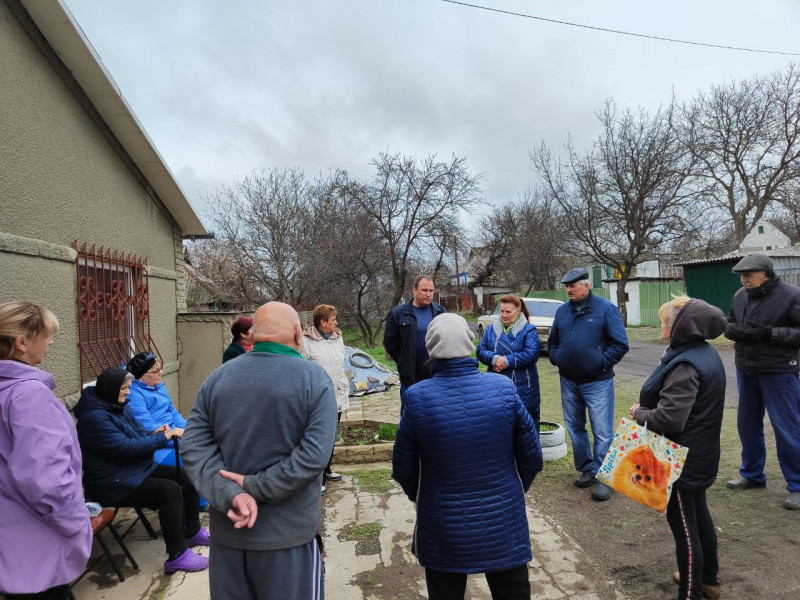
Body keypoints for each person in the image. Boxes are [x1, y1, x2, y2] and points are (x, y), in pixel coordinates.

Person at [182, 301, 337, 600]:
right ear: (296, 333)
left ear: (254, 336)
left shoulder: (217, 378)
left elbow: (193, 446)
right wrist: (256, 486)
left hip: (229, 540)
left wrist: (232, 494)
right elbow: (314, 457)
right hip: (287, 541)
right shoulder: (314, 380)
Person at [393, 313, 543, 600]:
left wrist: (423, 497)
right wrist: (512, 488)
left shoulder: (417, 397)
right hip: (503, 518)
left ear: (431, 348)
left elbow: (403, 467)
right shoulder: (502, 388)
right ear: (470, 344)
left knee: (445, 592)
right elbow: (532, 455)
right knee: (512, 591)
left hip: (442, 522)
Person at [629, 297, 726, 600]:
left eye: (664, 321)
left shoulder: (686, 364)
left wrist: (639, 413)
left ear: (680, 327)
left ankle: (690, 593)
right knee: (698, 516)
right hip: (699, 452)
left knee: (685, 528)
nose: (662, 326)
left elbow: (670, 418)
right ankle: (707, 580)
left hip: (680, 457)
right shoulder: (702, 352)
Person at [75, 367, 209, 574]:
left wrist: (152, 432)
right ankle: (177, 555)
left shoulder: (118, 405)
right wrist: (161, 438)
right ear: (110, 389)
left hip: (134, 469)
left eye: (128, 388)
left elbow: (136, 434)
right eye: (124, 389)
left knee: (186, 475)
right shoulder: (93, 419)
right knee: (169, 491)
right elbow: (124, 449)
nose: (128, 393)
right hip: (113, 482)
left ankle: (192, 531)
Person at [0, 302, 92, 600]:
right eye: (46, 335)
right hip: (35, 543)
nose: (51, 341)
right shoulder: (28, 394)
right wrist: (76, 523)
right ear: (22, 342)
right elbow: (46, 479)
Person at [723, 253, 800, 510]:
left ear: (765, 274)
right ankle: (753, 475)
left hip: (779, 370)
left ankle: (797, 486)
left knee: (787, 428)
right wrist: (731, 329)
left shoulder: (792, 295)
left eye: (748, 274)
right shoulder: (739, 295)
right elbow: (732, 320)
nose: (743, 279)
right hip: (746, 368)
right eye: (741, 275)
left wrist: (768, 334)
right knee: (747, 424)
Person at [548, 267, 629, 501]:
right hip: (569, 380)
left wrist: (601, 363)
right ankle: (586, 470)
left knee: (602, 431)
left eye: (573, 285)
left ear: (586, 286)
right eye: (566, 286)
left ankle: (604, 478)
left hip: (597, 382)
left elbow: (620, 344)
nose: (568, 290)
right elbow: (553, 341)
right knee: (575, 427)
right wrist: (557, 357)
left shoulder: (606, 309)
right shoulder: (562, 312)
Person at [302, 304, 350, 486]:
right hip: (318, 398)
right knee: (318, 438)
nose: (336, 323)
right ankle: (318, 478)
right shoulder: (306, 342)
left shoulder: (338, 338)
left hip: (337, 394)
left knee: (332, 435)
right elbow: (302, 369)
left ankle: (327, 469)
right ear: (322, 322)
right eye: (332, 320)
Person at [477, 294, 542, 429]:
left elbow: (531, 354)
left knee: (526, 429)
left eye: (508, 311)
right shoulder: (490, 330)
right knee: (500, 429)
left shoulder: (528, 330)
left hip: (523, 385)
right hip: (496, 382)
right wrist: (495, 359)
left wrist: (505, 360)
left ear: (518, 311)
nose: (504, 315)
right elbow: (480, 351)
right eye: (501, 311)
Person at [383, 275, 446, 413]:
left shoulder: (440, 312)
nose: (428, 294)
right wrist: (403, 359)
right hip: (411, 378)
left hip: (436, 375)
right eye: (424, 290)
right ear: (414, 290)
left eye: (431, 291)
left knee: (437, 415)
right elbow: (389, 342)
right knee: (410, 416)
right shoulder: (398, 314)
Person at [126, 352, 187, 466]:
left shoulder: (158, 387)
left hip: (177, 438)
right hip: (159, 449)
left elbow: (174, 413)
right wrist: (178, 438)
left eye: (160, 369)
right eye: (156, 371)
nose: (161, 373)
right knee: (197, 463)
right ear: (142, 376)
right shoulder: (134, 395)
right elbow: (148, 427)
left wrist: (188, 431)